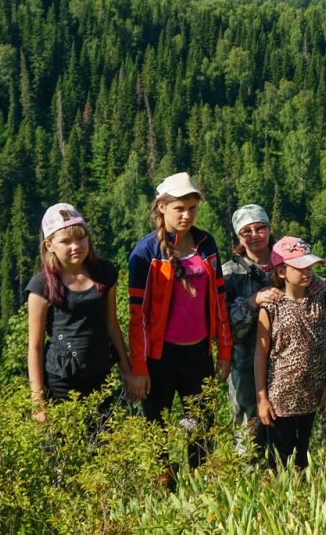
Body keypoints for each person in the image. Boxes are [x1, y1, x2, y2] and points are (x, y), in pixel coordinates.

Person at [127, 171, 232, 473]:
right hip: (159, 358)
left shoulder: (205, 243)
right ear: (162, 207)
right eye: (179, 209)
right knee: (156, 433)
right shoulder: (145, 253)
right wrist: (138, 368)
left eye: (192, 208)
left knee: (200, 434)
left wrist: (224, 351)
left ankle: (199, 495)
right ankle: (163, 493)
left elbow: (220, 300)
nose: (187, 215)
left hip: (199, 354)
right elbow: (137, 317)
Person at [26, 202, 132, 422]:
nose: (76, 246)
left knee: (103, 444)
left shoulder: (104, 273)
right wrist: (38, 401)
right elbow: (35, 347)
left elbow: (112, 325)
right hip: (61, 380)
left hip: (100, 374)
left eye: (81, 237)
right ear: (49, 245)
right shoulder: (41, 286)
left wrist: (127, 371)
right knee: (63, 450)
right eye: (65, 241)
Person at [255, 236, 326, 470]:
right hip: (281, 397)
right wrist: (262, 400)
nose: (306, 272)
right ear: (281, 271)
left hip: (312, 393)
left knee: (302, 457)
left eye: (309, 266)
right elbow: (260, 355)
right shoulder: (270, 307)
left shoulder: (321, 300)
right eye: (299, 267)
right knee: (278, 459)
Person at [222, 203, 282, 455]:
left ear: (269, 229)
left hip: (285, 363)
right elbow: (224, 325)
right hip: (244, 367)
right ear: (238, 236)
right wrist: (251, 302)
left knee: (286, 429)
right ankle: (251, 485)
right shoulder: (229, 272)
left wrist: (319, 286)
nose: (255, 234)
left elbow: (312, 285)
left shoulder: (288, 263)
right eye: (247, 231)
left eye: (260, 228)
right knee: (249, 431)